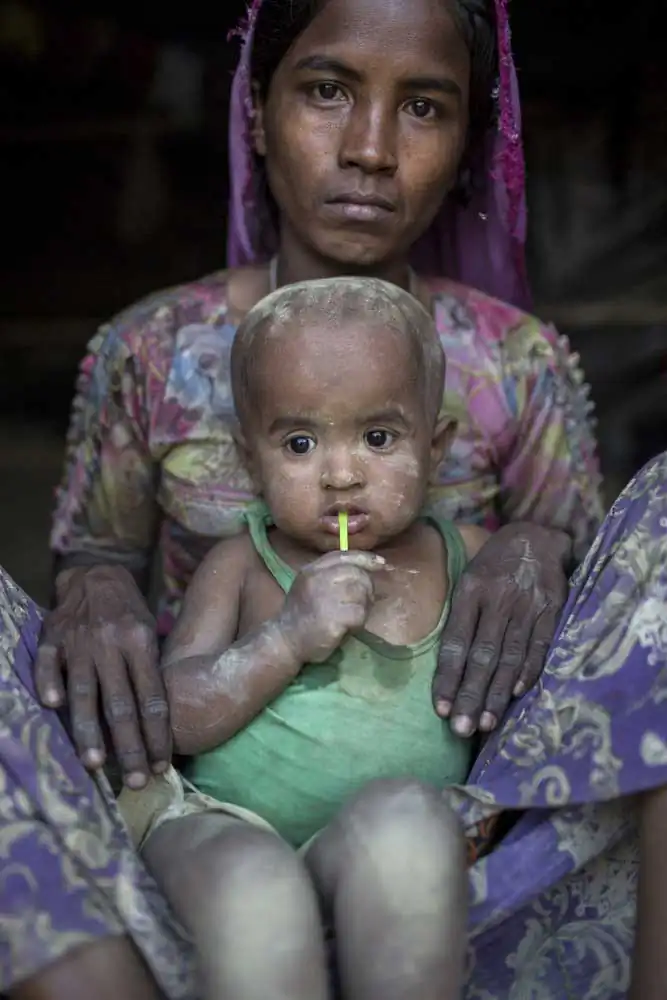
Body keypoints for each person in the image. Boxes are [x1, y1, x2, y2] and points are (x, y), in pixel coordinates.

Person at [0, 0, 606, 995]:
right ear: (255, 111)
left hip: (441, 829)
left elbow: (603, 590)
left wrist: (536, 543)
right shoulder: (150, 349)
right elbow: (94, 550)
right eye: (326, 90)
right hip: (211, 798)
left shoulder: (515, 364)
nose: (369, 147)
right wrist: (96, 583)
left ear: (464, 143)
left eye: (423, 106)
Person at [119, 276, 481, 1000]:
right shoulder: (243, 564)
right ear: (250, 459)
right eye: (300, 442)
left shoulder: (468, 558)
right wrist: (284, 637)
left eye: (378, 438)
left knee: (410, 825)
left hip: (353, 848)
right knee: (255, 890)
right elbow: (173, 716)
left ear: (434, 448)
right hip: (218, 823)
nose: (341, 475)